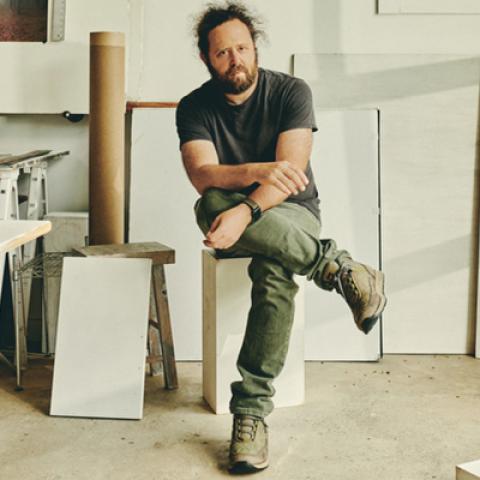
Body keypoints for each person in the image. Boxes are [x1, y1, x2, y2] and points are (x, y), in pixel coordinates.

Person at [175, 1, 386, 474]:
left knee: (270, 267)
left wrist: (246, 210)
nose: (236, 60)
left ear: (256, 47)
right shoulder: (194, 106)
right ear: (207, 59)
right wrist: (253, 171)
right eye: (223, 53)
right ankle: (337, 267)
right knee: (209, 204)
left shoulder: (291, 91)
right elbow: (203, 175)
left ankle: (249, 414)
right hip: (232, 210)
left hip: (293, 215)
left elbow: (289, 179)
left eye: (243, 48)